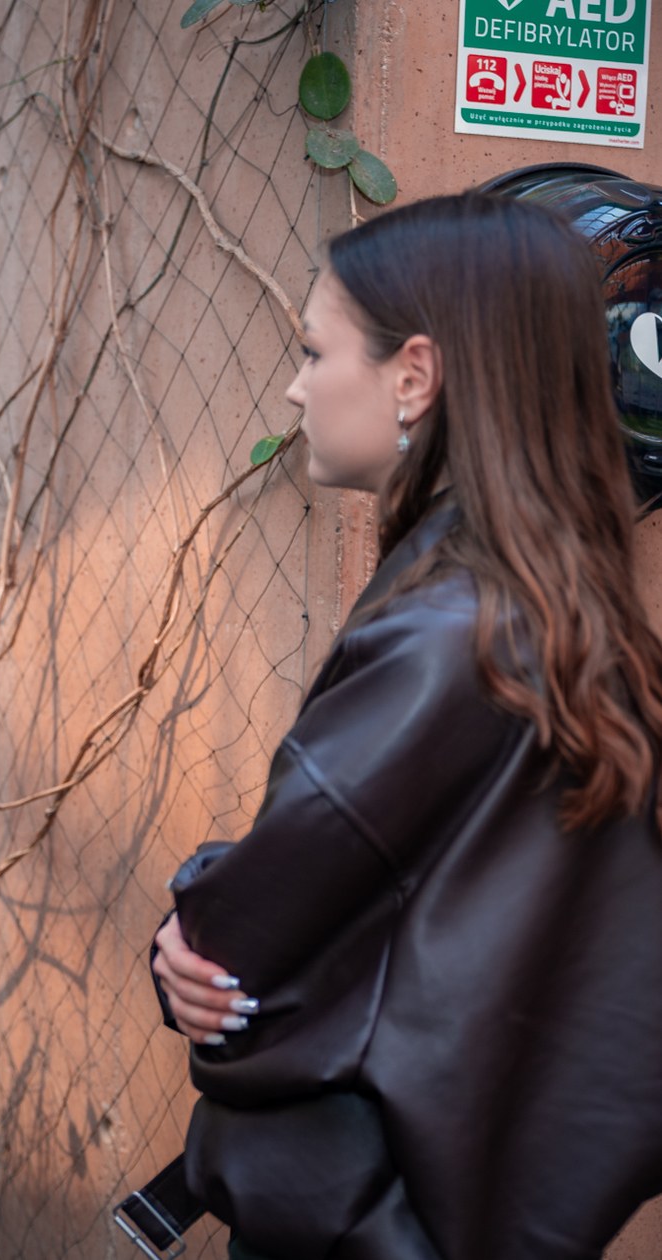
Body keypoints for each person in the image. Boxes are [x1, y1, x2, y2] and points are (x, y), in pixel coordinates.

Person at [149, 194, 662, 1258]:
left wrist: (189, 920)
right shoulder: (570, 617)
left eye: (315, 350)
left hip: (373, 1220)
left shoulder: (444, 637)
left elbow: (242, 950)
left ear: (415, 376)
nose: (296, 385)